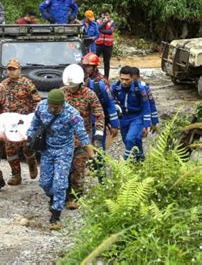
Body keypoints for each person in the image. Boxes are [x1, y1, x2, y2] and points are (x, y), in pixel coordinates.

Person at [27, 89, 93, 230]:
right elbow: (34, 123)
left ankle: (56, 215)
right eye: (52, 106)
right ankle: (53, 197)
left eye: (57, 107)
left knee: (59, 182)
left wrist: (93, 156)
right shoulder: (42, 107)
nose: (54, 109)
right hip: (47, 150)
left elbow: (82, 136)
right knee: (45, 182)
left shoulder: (72, 114)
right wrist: (29, 137)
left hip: (64, 150)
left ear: (62, 104)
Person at [61, 64, 104, 209]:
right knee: (64, 168)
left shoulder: (89, 95)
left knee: (78, 168)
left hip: (81, 139)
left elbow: (99, 115)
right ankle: (63, 195)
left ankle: (76, 196)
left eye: (73, 86)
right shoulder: (61, 93)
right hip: (62, 140)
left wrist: (98, 135)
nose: (71, 89)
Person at [1, 60, 41, 185]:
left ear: (19, 70)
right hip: (10, 121)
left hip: (24, 121)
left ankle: (32, 162)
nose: (11, 72)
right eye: (9, 69)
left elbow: (37, 101)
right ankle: (16, 175)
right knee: (10, 150)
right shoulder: (4, 84)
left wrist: (33, 118)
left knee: (27, 147)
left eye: (14, 69)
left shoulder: (27, 84)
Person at [111, 66, 151, 161]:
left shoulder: (140, 89)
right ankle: (140, 157)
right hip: (123, 118)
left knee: (130, 138)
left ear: (132, 78)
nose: (124, 82)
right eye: (122, 79)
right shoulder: (115, 88)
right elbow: (110, 103)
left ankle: (126, 160)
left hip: (136, 117)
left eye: (127, 79)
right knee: (127, 140)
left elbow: (146, 107)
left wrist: (146, 125)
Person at [132, 67, 159, 133]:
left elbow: (151, 104)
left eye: (134, 79)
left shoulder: (144, 87)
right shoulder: (123, 87)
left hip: (141, 115)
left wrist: (154, 122)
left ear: (138, 77)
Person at [96, 9, 116, 78]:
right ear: (101, 15)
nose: (106, 17)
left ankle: (106, 78)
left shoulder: (112, 22)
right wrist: (103, 24)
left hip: (108, 45)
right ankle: (94, 76)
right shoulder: (98, 21)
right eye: (104, 15)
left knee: (106, 62)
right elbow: (98, 29)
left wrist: (102, 30)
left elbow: (110, 32)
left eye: (107, 15)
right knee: (94, 61)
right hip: (98, 44)